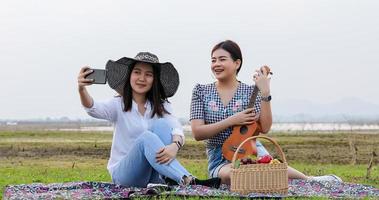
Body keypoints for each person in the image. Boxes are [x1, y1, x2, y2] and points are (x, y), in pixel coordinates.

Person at [190, 40, 342, 185]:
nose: (216, 64)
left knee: (266, 169)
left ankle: (310, 180)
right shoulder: (201, 91)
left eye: (222, 59)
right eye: (213, 60)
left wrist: (265, 92)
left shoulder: (251, 91)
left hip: (251, 150)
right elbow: (197, 133)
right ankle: (270, 176)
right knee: (237, 174)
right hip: (219, 158)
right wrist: (232, 120)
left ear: (237, 63)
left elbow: (265, 127)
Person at [77, 52, 220, 188]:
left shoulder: (162, 105)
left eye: (148, 74)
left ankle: (170, 177)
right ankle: (187, 179)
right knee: (146, 138)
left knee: (163, 124)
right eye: (137, 72)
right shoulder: (118, 104)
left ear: (154, 80)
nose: (142, 78)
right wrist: (82, 89)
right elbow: (93, 108)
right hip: (125, 175)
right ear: (129, 75)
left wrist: (174, 146)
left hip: (153, 175)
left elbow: (176, 127)